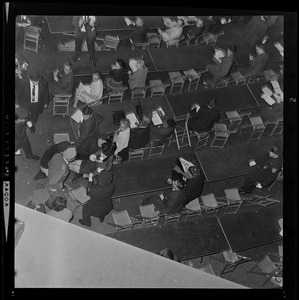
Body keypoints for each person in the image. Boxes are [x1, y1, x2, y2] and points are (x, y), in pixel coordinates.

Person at [15, 69, 49, 133]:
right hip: (26, 102)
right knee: (25, 116)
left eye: (38, 81)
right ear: (30, 79)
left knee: (35, 116)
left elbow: (46, 92)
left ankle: (31, 126)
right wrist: (17, 102)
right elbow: (18, 92)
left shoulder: (44, 82)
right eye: (34, 82)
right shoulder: (23, 82)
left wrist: (46, 102)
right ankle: (25, 125)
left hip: (37, 103)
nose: (36, 83)